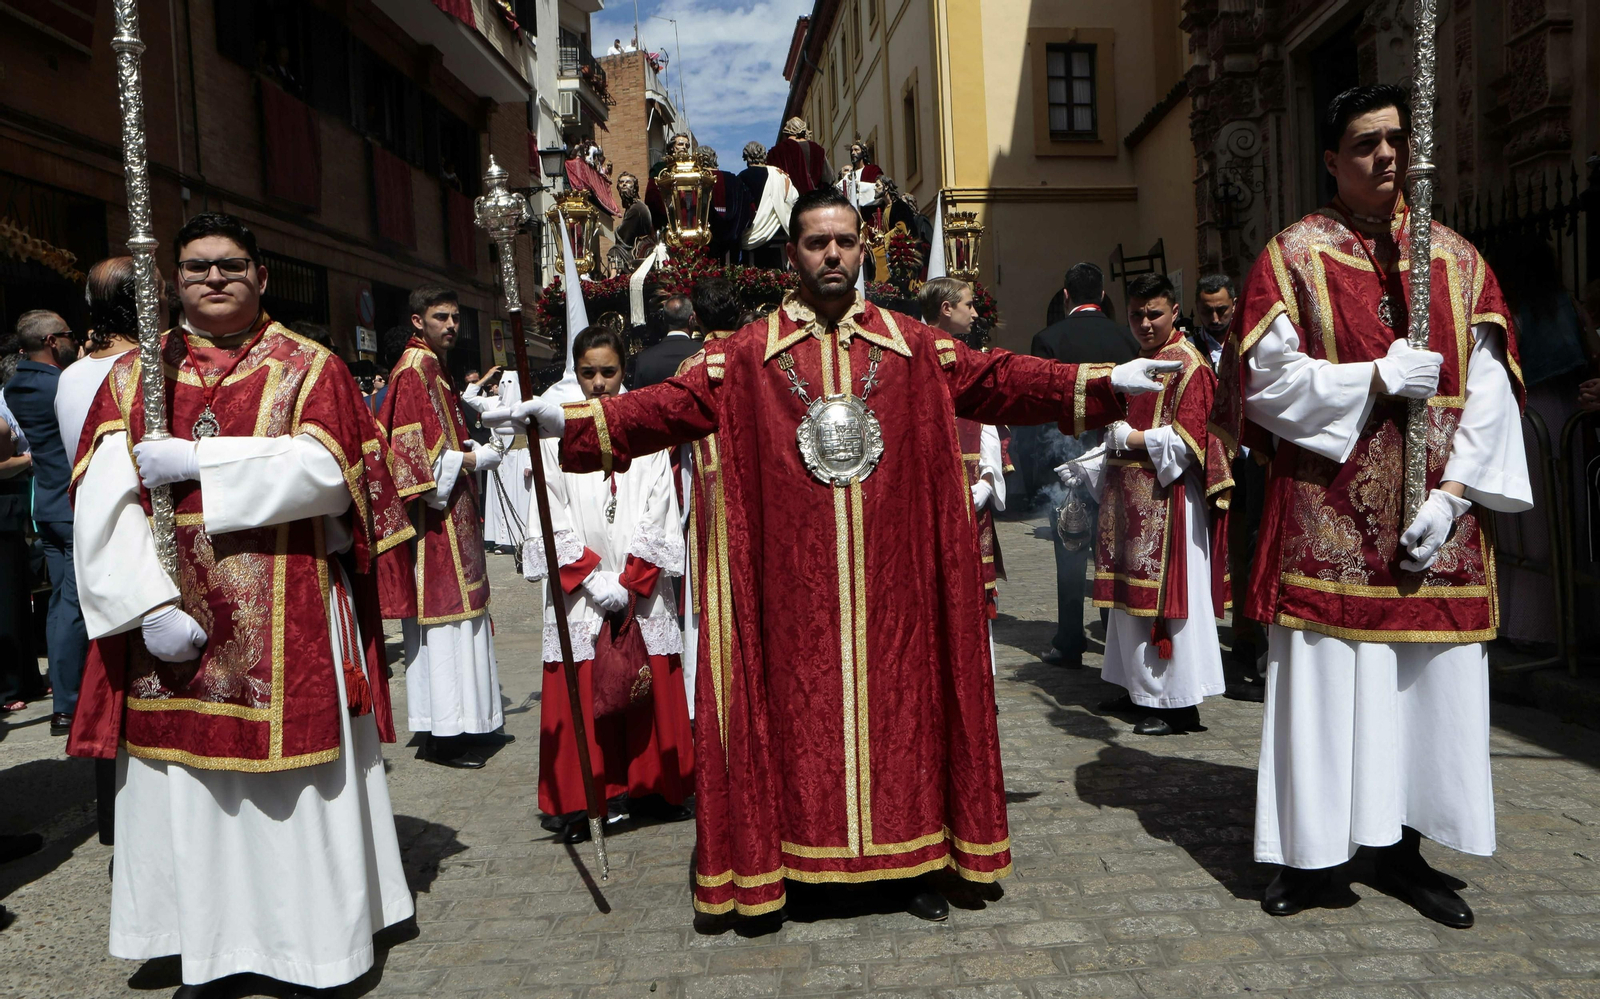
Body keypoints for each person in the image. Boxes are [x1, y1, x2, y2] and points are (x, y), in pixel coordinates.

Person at [489, 186, 1181, 920]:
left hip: (895, 587)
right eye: (817, 243)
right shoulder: (747, 358)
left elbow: (999, 379)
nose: (832, 254)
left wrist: (1103, 383)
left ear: (862, 248)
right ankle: (796, 867)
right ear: (792, 254)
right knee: (797, 726)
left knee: (901, 719)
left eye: (845, 241)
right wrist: (565, 422)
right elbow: (662, 407)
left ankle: (908, 864)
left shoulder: (912, 345)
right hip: (793, 594)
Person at [66, 211, 415, 993]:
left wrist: (202, 459)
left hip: (284, 598)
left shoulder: (310, 367)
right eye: (195, 268)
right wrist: (145, 606)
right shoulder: (136, 377)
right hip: (169, 614)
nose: (214, 278)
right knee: (180, 783)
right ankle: (195, 937)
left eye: (230, 265)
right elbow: (99, 500)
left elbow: (332, 473)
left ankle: (307, 944)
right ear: (174, 282)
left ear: (260, 274)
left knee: (288, 789)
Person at [1222, 85, 1530, 927]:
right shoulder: (1293, 256)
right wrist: (1373, 379)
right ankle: (1315, 855)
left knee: (1421, 694)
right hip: (1330, 521)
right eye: (1365, 143)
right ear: (1331, 158)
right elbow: (1264, 386)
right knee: (1328, 690)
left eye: (1396, 140)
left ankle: (1404, 847)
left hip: (1434, 527)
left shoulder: (1460, 263)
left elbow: (1494, 389)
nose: (1387, 156)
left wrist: (1456, 499)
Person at [524, 325, 694, 842]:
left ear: (624, 371)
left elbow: (661, 506)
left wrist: (633, 578)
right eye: (587, 373)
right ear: (574, 374)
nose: (598, 383)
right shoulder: (555, 436)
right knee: (585, 683)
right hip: (585, 590)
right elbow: (549, 514)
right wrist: (589, 576)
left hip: (637, 586)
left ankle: (651, 786)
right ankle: (586, 798)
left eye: (608, 372)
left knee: (646, 680)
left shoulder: (644, 434)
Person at [1088, 273, 1230, 735]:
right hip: (1131, 500)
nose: (1145, 323)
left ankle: (1176, 703)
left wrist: (1131, 437)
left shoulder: (1190, 365)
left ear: (1174, 311)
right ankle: (1139, 689)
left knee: (1167, 605)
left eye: (1154, 314)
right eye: (1136, 315)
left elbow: (1194, 441)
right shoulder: (1141, 361)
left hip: (1172, 504)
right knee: (1131, 604)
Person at [378, 287, 505, 769]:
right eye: (441, 317)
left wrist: (467, 442)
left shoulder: (435, 368)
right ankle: (444, 734)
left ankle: (467, 723)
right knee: (444, 624)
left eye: (455, 317)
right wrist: (474, 457)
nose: (452, 325)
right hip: (435, 526)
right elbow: (412, 460)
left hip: (454, 514)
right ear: (417, 321)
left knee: (461, 621)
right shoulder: (414, 371)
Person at [1029, 263, 1142, 668]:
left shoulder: (1048, 339)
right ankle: (1115, 641)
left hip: (1069, 461)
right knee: (1113, 551)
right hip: (1117, 457)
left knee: (1072, 552)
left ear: (1065, 296)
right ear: (1104, 295)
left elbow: (1041, 409)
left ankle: (1071, 639)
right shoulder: (1127, 340)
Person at [6, 309, 85, 736]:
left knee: (60, 604)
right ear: (54, 341)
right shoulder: (59, 384)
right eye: (70, 334)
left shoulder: (17, 382)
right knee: (72, 605)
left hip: (48, 506)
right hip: (70, 506)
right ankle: (69, 705)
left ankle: (65, 696)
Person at [1192, 274, 1268, 696]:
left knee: (1253, 548)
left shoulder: (1254, 337)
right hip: (1210, 461)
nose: (1217, 318)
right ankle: (1226, 631)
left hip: (1252, 460)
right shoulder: (1191, 346)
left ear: (1235, 303)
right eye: (1208, 312)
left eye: (1223, 310)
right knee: (1220, 549)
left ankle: (1247, 633)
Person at [919, 277, 1007, 627]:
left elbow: (985, 424)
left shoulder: (969, 358)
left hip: (971, 497)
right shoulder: (912, 357)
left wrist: (987, 481)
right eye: (968, 305)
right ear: (946, 308)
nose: (974, 313)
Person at [0, 394, 40, 713]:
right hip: (3, 505)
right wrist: (28, 460)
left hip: (11, 507)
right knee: (6, 602)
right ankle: (8, 685)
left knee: (17, 596)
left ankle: (27, 678)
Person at [738, 141, 798, 269]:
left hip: (750, 234)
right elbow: (794, 198)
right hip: (777, 231)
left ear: (746, 157)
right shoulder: (779, 175)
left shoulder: (742, 178)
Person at [630, 294, 701, 389]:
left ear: (664, 320)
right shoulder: (704, 352)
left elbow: (637, 399)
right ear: (691, 320)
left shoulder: (645, 359)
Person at [766, 117, 830, 196]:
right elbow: (829, 178)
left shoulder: (777, 151)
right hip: (815, 200)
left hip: (788, 201)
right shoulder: (818, 149)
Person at [836, 137, 883, 209]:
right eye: (851, 151)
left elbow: (880, 188)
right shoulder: (849, 175)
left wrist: (858, 186)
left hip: (867, 212)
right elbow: (838, 189)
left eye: (856, 150)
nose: (853, 153)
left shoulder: (872, 170)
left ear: (863, 152)